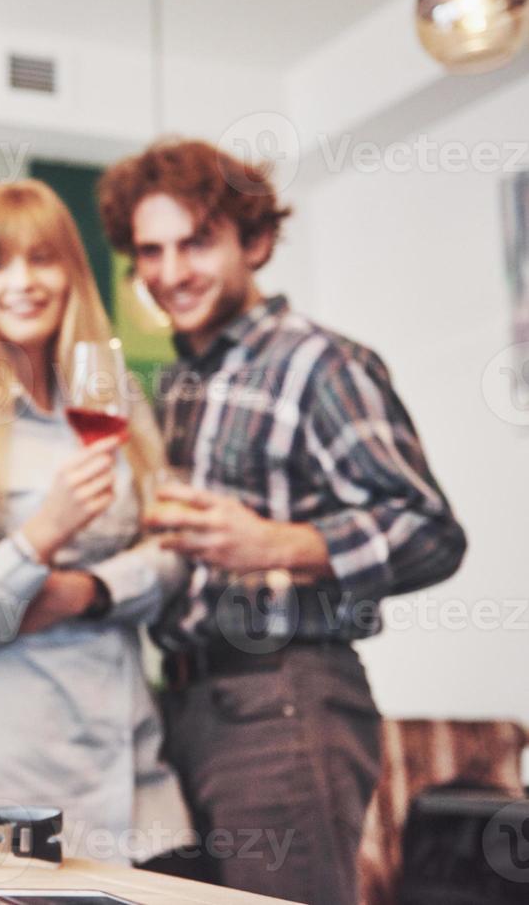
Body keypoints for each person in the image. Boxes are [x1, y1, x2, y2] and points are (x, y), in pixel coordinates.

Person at [95, 140, 467, 902]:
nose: (171, 273)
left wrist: (279, 544)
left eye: (196, 242)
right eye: (151, 251)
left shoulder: (318, 363)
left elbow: (430, 530)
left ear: (254, 241)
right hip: (183, 706)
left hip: (284, 699)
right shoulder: (177, 386)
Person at [0, 180, 191, 865]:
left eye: (43, 258)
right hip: (10, 784)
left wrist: (86, 592)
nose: (22, 283)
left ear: (72, 273)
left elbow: (173, 547)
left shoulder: (113, 400)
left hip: (137, 766)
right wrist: (39, 539)